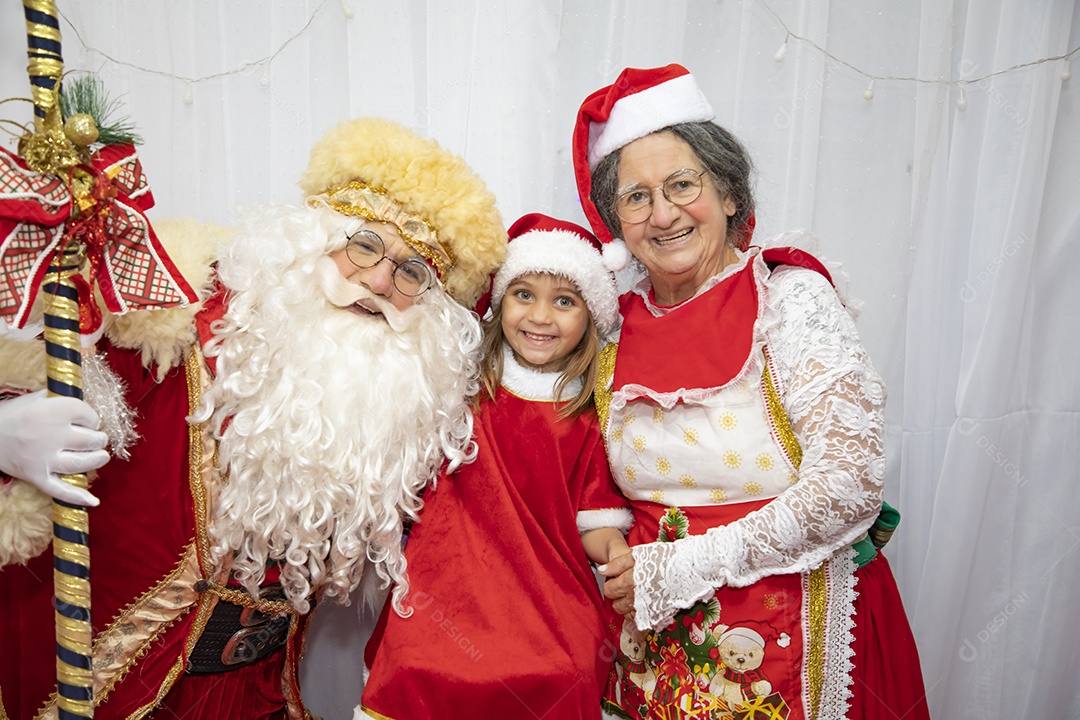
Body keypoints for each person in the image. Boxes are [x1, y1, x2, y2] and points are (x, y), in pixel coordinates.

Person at [0, 116, 506, 719]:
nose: (376, 281)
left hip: (256, 698)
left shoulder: (411, 415)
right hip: (101, 690)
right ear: (312, 237)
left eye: (410, 271)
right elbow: (42, 346)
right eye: (365, 244)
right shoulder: (174, 317)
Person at [572, 65, 932, 719]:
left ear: (730, 194)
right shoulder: (609, 332)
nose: (664, 213)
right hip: (654, 664)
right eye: (637, 197)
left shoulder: (789, 299)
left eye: (683, 185)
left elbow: (849, 489)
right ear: (615, 223)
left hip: (797, 641)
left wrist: (679, 568)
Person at [359, 213, 635, 720]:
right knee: (416, 667)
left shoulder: (587, 417)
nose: (540, 317)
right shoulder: (461, 385)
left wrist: (617, 554)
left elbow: (594, 519)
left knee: (569, 672)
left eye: (565, 301)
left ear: (591, 317)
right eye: (523, 294)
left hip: (547, 594)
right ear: (500, 300)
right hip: (443, 589)